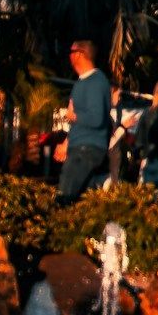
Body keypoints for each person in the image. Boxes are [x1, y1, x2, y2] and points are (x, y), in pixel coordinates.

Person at [57, 41, 114, 203]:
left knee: (65, 196)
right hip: (79, 147)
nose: (69, 55)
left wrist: (74, 116)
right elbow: (78, 120)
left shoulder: (96, 82)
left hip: (87, 149)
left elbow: (96, 119)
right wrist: (66, 143)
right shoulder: (80, 83)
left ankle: (103, 182)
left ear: (80, 54)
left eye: (71, 51)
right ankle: (100, 183)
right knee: (80, 200)